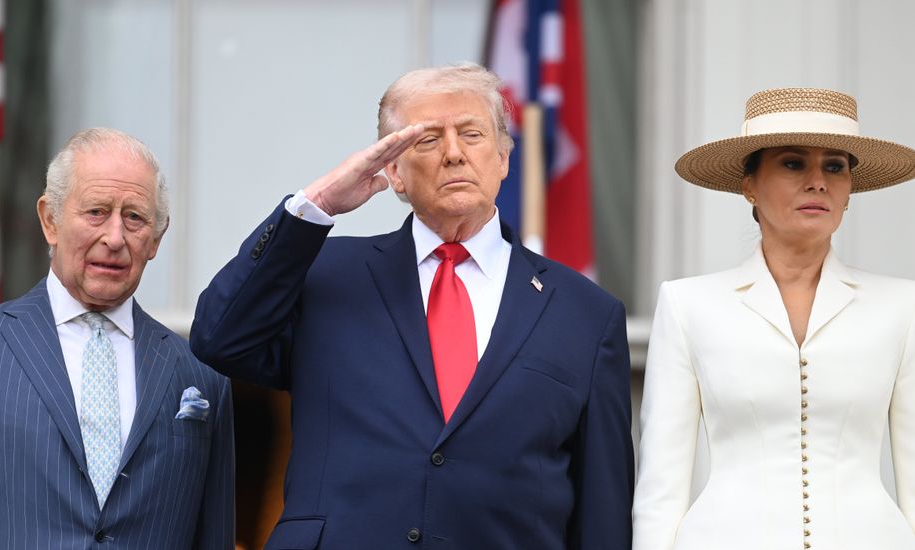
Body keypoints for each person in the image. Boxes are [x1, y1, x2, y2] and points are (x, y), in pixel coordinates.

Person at [189, 63, 633, 549]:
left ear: (504, 158)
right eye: (427, 140)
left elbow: (602, 511)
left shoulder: (586, 314)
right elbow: (220, 337)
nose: (454, 154)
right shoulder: (325, 275)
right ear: (394, 172)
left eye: (472, 134)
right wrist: (316, 206)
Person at [633, 88, 915, 549]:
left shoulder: (902, 307)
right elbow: (660, 489)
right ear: (749, 185)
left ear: (849, 189)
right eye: (792, 162)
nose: (818, 181)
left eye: (835, 166)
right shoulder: (689, 306)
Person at [0, 128, 235, 549]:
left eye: (134, 217)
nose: (115, 238)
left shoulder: (201, 375)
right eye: (96, 211)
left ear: (157, 238)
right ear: (50, 220)